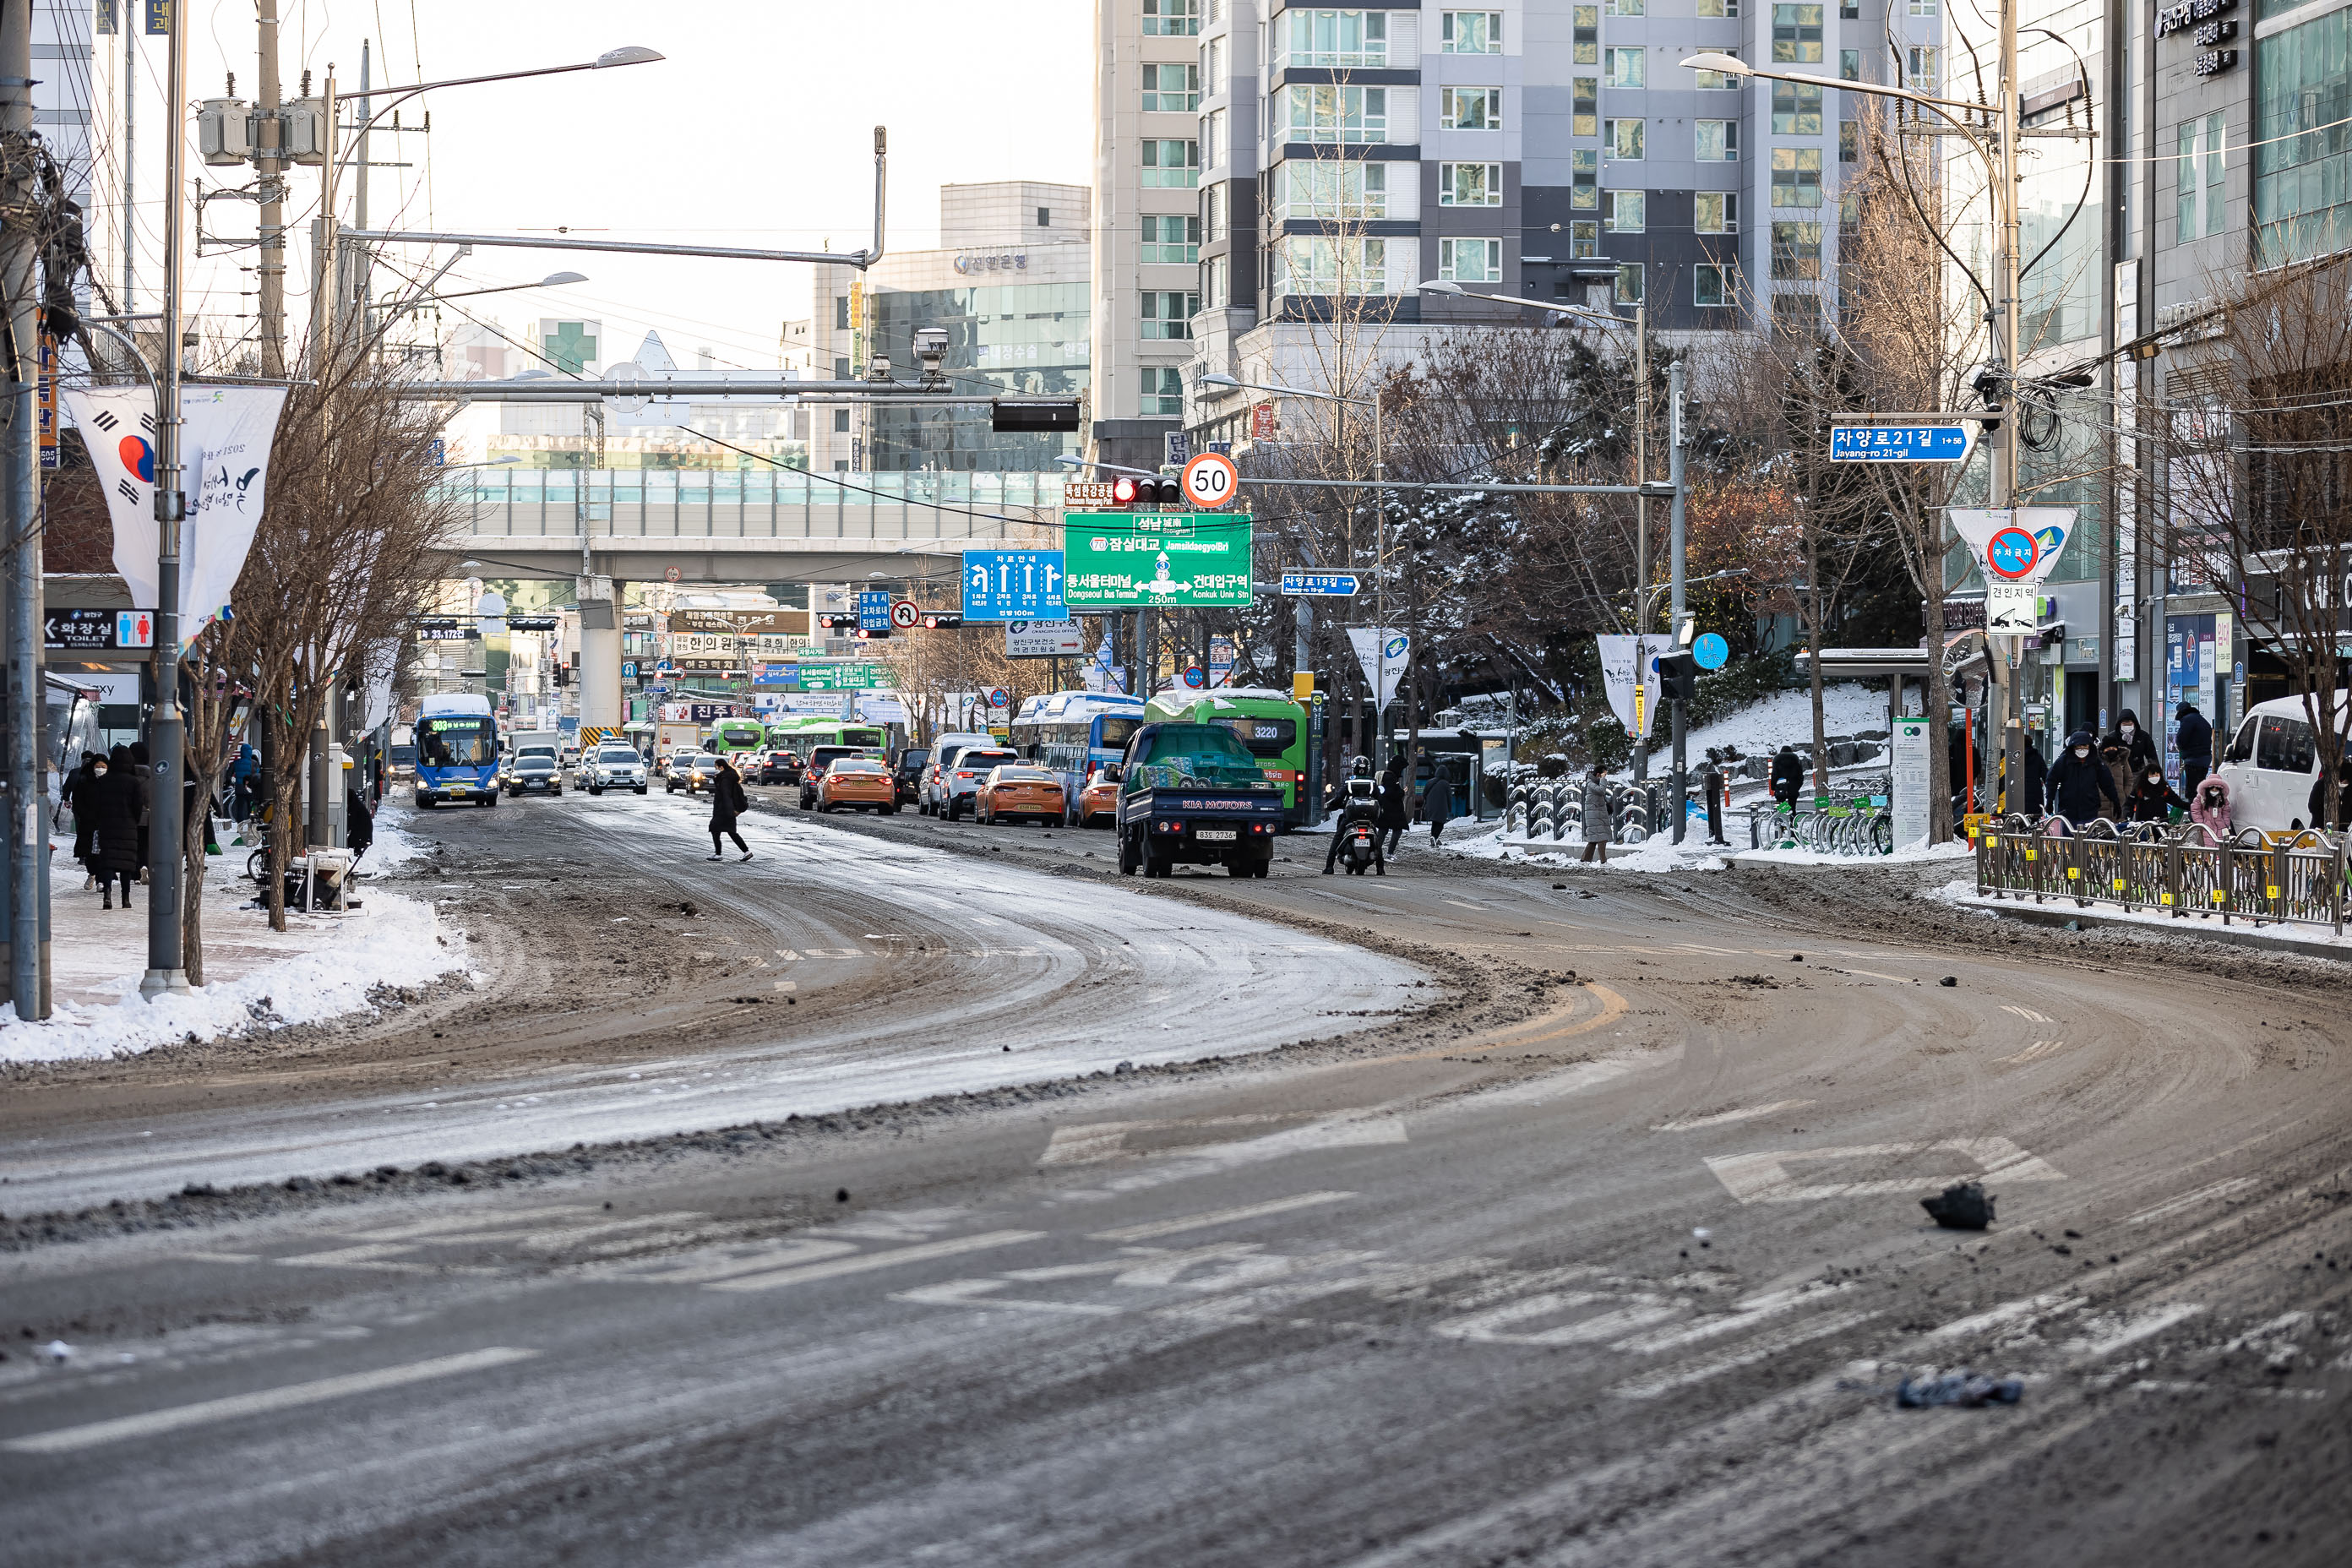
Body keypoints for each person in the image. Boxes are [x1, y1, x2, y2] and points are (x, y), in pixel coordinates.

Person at [87, 744, 142, 909]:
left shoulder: (104, 781)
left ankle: (107, 895)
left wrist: (100, 820)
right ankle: (126, 899)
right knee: (126, 863)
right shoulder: (134, 782)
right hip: (128, 826)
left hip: (107, 826)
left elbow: (96, 805)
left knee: (108, 861)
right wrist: (134, 821)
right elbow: (138, 805)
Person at [2044, 731, 2122, 826]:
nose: (2082, 749)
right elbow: (2052, 780)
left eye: (2085, 746)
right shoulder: (2063, 762)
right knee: (2069, 839)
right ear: (2073, 747)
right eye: (2078, 747)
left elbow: (2107, 783)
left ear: (2089, 747)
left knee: (2087, 839)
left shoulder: (2096, 763)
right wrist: (2049, 801)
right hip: (2068, 810)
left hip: (2089, 809)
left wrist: (2115, 801)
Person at [1322, 757, 1384, 874]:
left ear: (1354, 768)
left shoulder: (1348, 782)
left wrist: (1332, 805)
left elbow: (1338, 798)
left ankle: (1329, 867)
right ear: (1367, 769)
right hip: (1369, 818)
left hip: (1351, 817)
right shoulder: (1372, 782)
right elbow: (1380, 799)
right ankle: (1380, 868)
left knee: (1338, 838)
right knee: (1376, 840)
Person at [708, 754, 752, 861]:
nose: (716, 770)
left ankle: (718, 854)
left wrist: (730, 811)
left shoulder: (726, 779)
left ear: (721, 767)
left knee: (715, 828)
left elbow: (726, 795)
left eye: (716, 767)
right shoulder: (729, 777)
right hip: (727, 810)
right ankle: (747, 851)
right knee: (730, 832)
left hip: (724, 810)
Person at [2126, 762, 2190, 825]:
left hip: (2162, 823)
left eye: (2157, 774)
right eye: (2152, 775)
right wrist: (2128, 818)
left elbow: (2177, 802)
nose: (2155, 777)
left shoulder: (2164, 788)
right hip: (2144, 824)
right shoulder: (2140, 789)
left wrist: (2192, 807)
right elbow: (2129, 804)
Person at [2174, 701, 2215, 796]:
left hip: (2193, 760)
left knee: (2191, 791)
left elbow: (2181, 739)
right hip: (2205, 759)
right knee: (2200, 789)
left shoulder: (2187, 720)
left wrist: (2180, 748)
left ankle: (2193, 810)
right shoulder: (2202, 720)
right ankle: (2201, 808)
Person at [2306, 755, 2352, 831]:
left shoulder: (2349, 788)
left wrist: (2346, 821)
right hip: (2321, 827)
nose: (2345, 783)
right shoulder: (2322, 785)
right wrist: (2323, 822)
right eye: (2345, 780)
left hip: (2342, 829)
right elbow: (2313, 806)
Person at [1581, 764, 1614, 864]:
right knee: (1602, 838)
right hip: (1594, 816)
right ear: (1598, 774)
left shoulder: (1593, 783)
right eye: (1604, 774)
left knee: (1594, 840)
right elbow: (1602, 791)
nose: (1605, 776)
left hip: (1596, 815)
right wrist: (1603, 780)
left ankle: (1584, 861)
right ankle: (1603, 862)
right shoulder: (1591, 784)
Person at [1375, 763, 1409, 855]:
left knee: (1383, 830)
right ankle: (1389, 853)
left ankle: (1374, 852)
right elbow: (1392, 794)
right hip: (1394, 811)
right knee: (1397, 830)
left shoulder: (1385, 777)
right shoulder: (1391, 778)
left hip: (1385, 809)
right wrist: (1402, 792)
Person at [1422, 768, 1456, 845]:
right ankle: (1434, 837)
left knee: (1434, 822)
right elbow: (1449, 797)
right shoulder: (1446, 784)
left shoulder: (1429, 782)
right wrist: (1450, 808)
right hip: (1442, 807)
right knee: (1440, 824)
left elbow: (1424, 794)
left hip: (1430, 806)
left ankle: (1434, 838)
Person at [1769, 744, 1805, 811]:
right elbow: (1800, 776)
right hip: (1793, 788)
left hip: (1781, 788)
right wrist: (1797, 787)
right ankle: (1792, 819)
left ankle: (1783, 816)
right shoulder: (1796, 762)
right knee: (1792, 806)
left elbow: (1774, 775)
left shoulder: (1777, 761)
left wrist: (1773, 786)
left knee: (1780, 805)